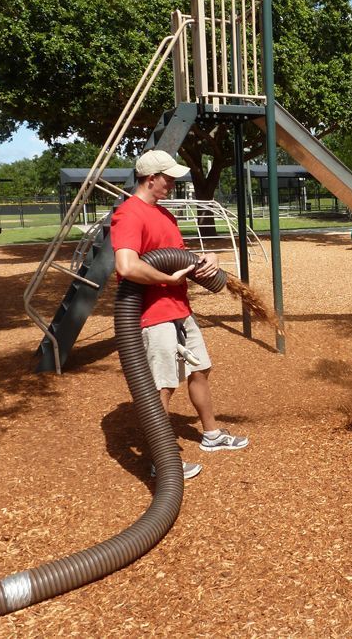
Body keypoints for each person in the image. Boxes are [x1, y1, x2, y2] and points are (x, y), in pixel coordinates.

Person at [111, 149, 248, 480]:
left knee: (200, 368)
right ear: (151, 178)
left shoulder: (163, 215)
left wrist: (205, 260)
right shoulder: (129, 215)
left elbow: (174, 256)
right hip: (152, 313)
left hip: (178, 307)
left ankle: (212, 436)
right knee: (163, 384)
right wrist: (166, 278)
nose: (172, 183)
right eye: (168, 178)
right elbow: (126, 266)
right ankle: (162, 460)